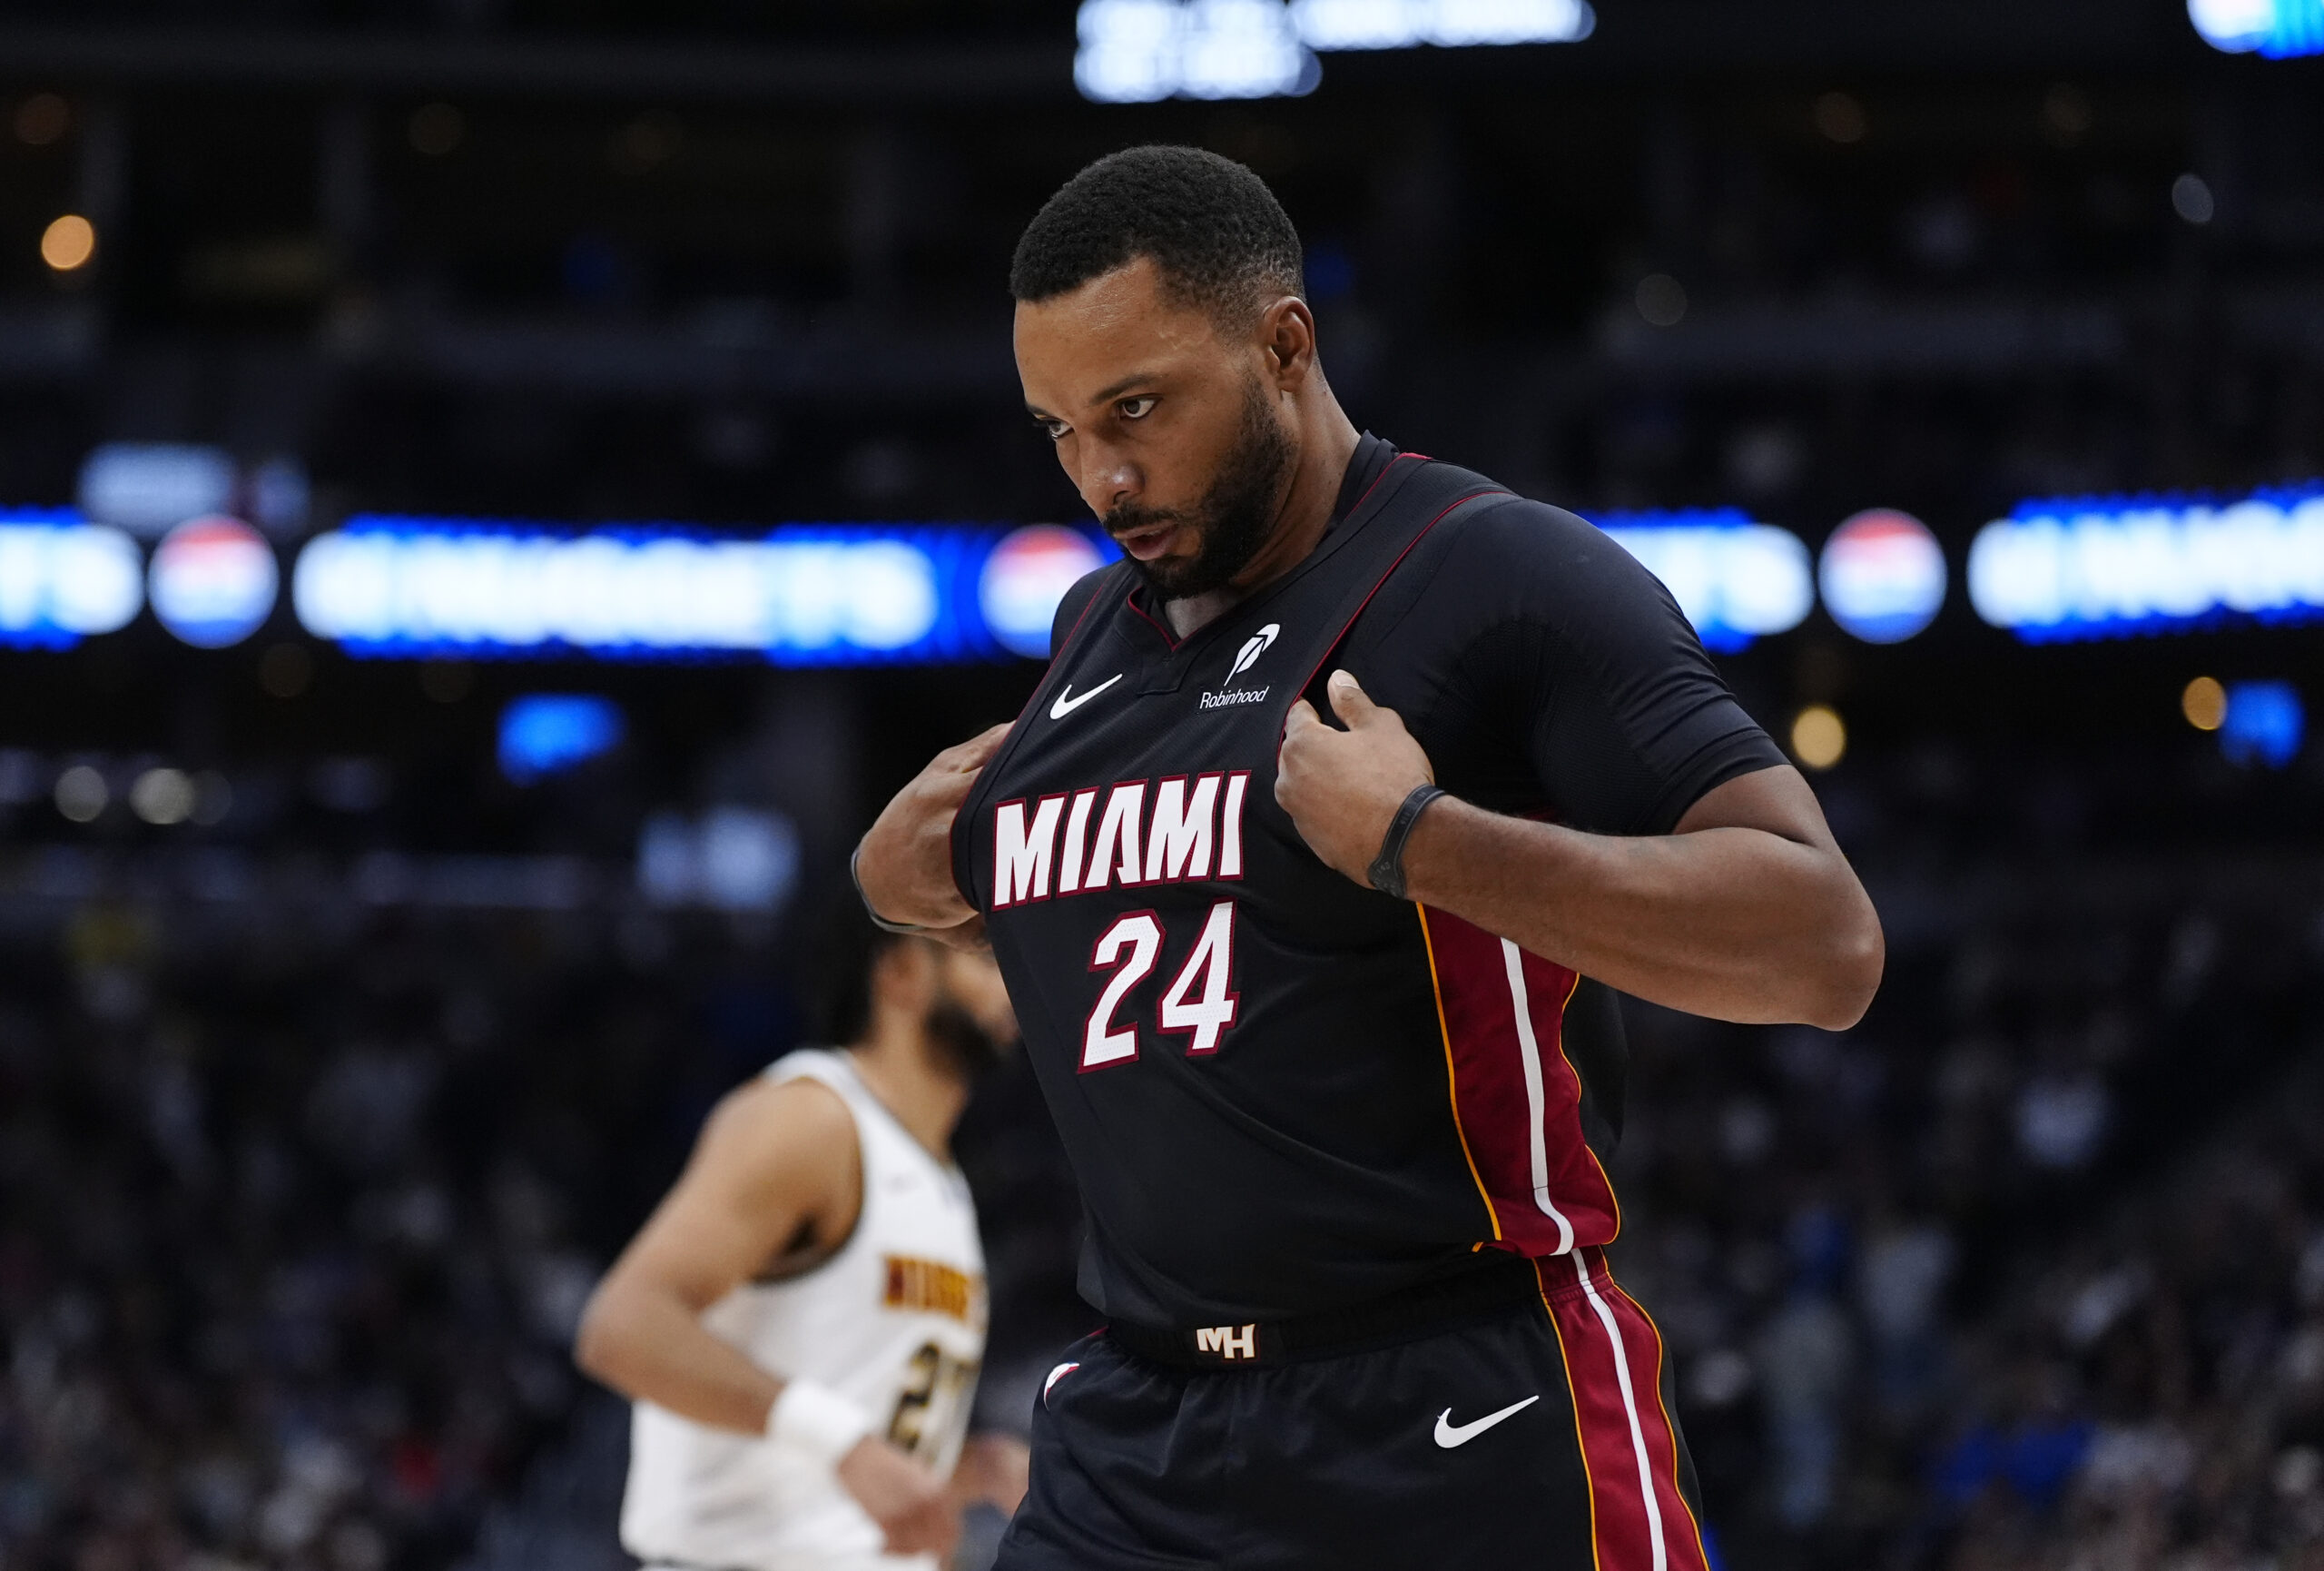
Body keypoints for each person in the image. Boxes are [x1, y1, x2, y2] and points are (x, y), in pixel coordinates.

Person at [854, 145, 1885, 1570]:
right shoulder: (1093, 628)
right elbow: (1170, 924)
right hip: (1139, 1433)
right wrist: (900, 879)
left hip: (1452, 1416)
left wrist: (1425, 841)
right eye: (1061, 429)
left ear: (1285, 345)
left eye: (1137, 407)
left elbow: (1826, 943)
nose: (1103, 474)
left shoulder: (1498, 571)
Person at [575, 922, 1030, 1571]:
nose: (1014, 984)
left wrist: (971, 1468)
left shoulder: (941, 1182)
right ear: (901, 972)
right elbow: (622, 1326)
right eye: (984, 960)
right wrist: (843, 1443)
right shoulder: (811, 1118)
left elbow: (853, 1459)